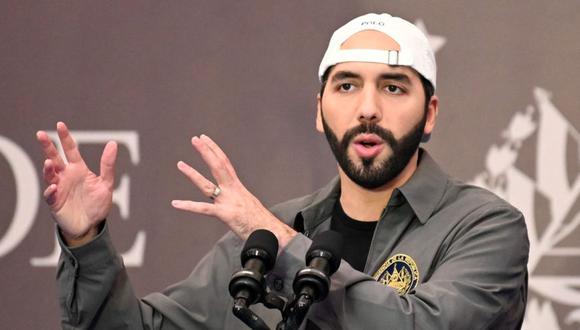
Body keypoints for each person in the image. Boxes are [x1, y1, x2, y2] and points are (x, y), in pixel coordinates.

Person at [36, 13, 528, 329]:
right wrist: (86, 242)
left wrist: (278, 241)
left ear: (431, 113)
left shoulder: (485, 226)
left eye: (394, 88)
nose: (368, 109)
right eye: (347, 86)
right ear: (319, 111)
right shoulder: (270, 233)